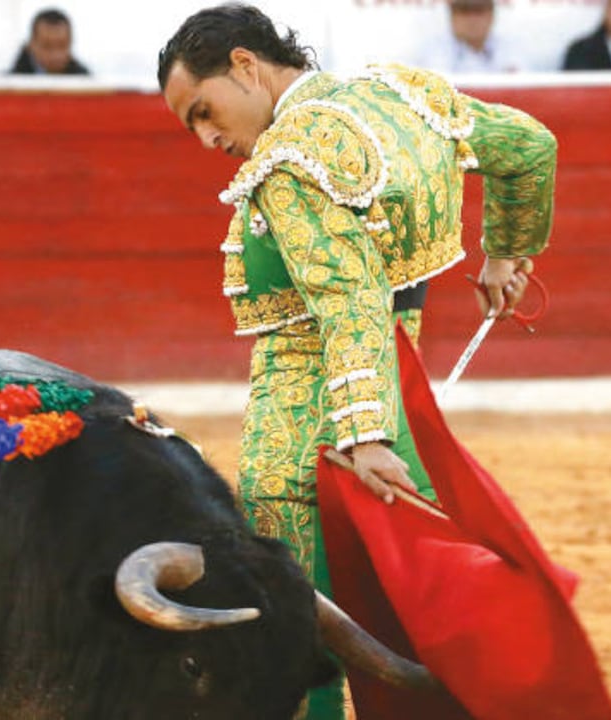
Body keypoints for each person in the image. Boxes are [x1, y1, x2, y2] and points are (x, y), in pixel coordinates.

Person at [157, 4, 556, 718]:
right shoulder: (400, 94)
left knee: (290, 637)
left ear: (246, 66)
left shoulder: (291, 163)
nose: (207, 136)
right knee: (410, 613)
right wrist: (506, 250)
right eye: (192, 125)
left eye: (204, 111)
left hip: (312, 446)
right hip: (403, 411)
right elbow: (528, 146)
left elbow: (349, 299)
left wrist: (360, 435)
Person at [418, 0, 526, 74]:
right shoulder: (429, 52)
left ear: (491, 15)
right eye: (464, 10)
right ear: (452, 15)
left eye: (479, 11)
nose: (472, 19)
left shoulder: (511, 48)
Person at [6, 8, 90, 75]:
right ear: (31, 45)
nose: (55, 55)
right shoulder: (5, 86)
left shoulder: (88, 84)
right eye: (47, 46)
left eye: (62, 46)